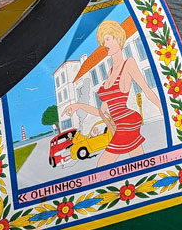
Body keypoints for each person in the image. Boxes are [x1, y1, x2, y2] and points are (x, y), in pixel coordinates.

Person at [64, 20, 162, 167]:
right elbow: (101, 111)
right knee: (139, 162)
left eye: (107, 39)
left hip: (126, 124)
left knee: (102, 165)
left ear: (118, 38)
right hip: (119, 126)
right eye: (103, 41)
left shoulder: (128, 64)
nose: (104, 44)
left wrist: (164, 109)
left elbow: (147, 89)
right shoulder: (110, 72)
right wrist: (78, 105)